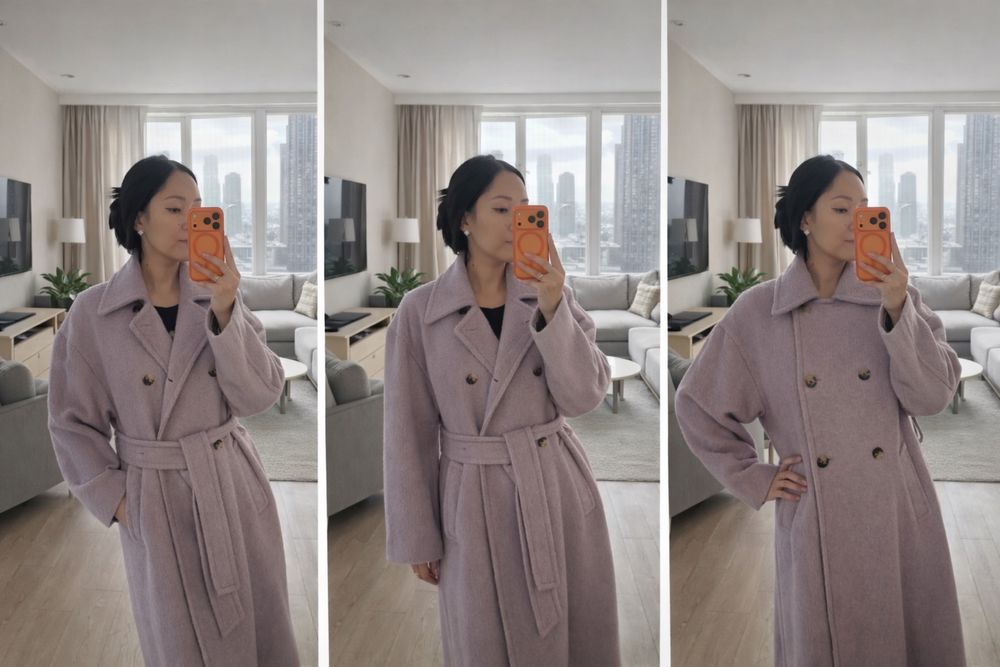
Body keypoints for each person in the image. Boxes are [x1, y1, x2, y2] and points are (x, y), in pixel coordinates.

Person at [674, 154, 966, 666]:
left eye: (866, 209)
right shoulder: (759, 311)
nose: (858, 221)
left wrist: (898, 307)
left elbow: (933, 398)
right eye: (841, 208)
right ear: (805, 218)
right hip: (814, 514)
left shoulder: (897, 298)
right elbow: (697, 404)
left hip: (896, 509)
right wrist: (753, 476)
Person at [47, 155, 299, 666]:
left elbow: (260, 395)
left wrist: (227, 308)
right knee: (179, 643)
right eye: (175, 207)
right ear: (139, 218)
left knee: (260, 633)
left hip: (232, 484)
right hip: (157, 499)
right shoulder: (93, 313)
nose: (191, 220)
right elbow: (71, 424)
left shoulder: (219, 295)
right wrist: (122, 502)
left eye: (200, 208)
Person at [382, 155, 621, 666]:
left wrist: (554, 308)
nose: (517, 220)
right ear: (465, 219)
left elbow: (583, 397)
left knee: (574, 636)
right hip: (473, 497)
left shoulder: (553, 295)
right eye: (500, 208)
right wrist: (417, 535)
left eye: (526, 209)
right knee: (482, 639)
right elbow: (407, 432)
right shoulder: (420, 311)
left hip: (555, 485)